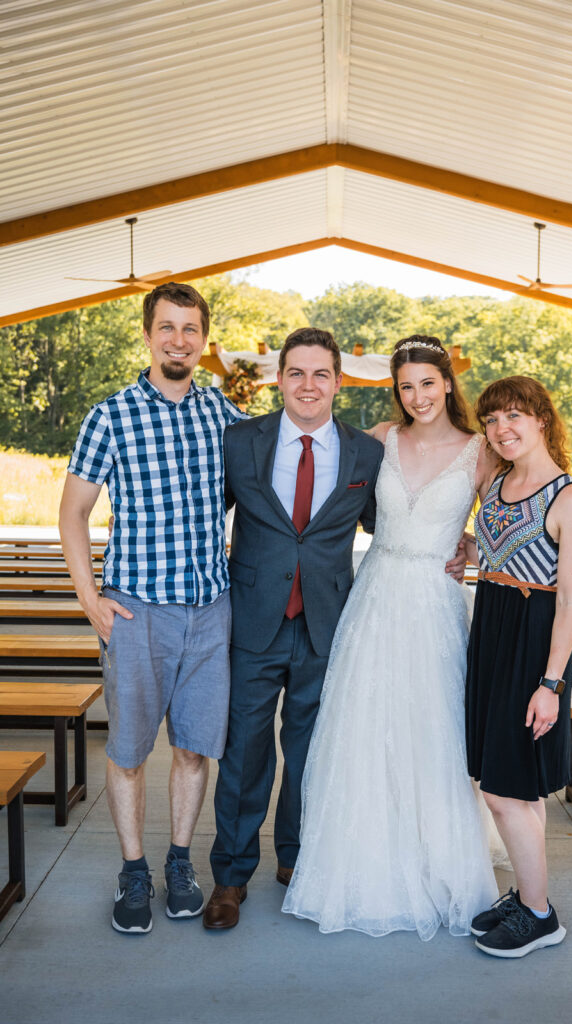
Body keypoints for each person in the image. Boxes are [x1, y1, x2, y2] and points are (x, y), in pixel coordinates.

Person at [281, 335, 499, 940]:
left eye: (428, 382)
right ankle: (364, 863)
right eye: (406, 385)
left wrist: (475, 543)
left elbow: (509, 515)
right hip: (374, 598)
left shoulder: (479, 451)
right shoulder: (381, 439)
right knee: (364, 727)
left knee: (432, 729)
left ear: (449, 384)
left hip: (434, 603)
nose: (417, 395)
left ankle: (437, 862)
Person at [59, 282, 244, 934]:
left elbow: (283, 459)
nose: (178, 340)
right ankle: (133, 868)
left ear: (203, 339)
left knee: (194, 750)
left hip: (209, 608)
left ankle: (177, 861)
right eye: (167, 327)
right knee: (132, 751)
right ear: (147, 334)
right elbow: (73, 512)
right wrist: (89, 596)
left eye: (190, 329)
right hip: (137, 612)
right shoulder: (110, 415)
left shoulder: (220, 412)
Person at [203, 327, 385, 930]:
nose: (309, 386)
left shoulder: (366, 453)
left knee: (311, 753)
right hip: (253, 623)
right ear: (279, 379)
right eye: (297, 373)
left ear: (339, 381)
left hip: (328, 626)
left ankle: (297, 861)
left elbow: (390, 527)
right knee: (244, 753)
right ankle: (230, 876)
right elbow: (203, 518)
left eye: (321, 374)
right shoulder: (240, 441)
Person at [465, 375, 572, 958]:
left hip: (534, 642)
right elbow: (498, 549)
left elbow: (569, 600)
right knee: (518, 789)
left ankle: (540, 916)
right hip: (490, 627)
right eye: (492, 420)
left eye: (514, 416)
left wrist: (550, 684)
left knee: (505, 791)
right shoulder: (495, 482)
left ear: (541, 418)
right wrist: (472, 554)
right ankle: (527, 893)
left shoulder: (570, 499)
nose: (502, 429)